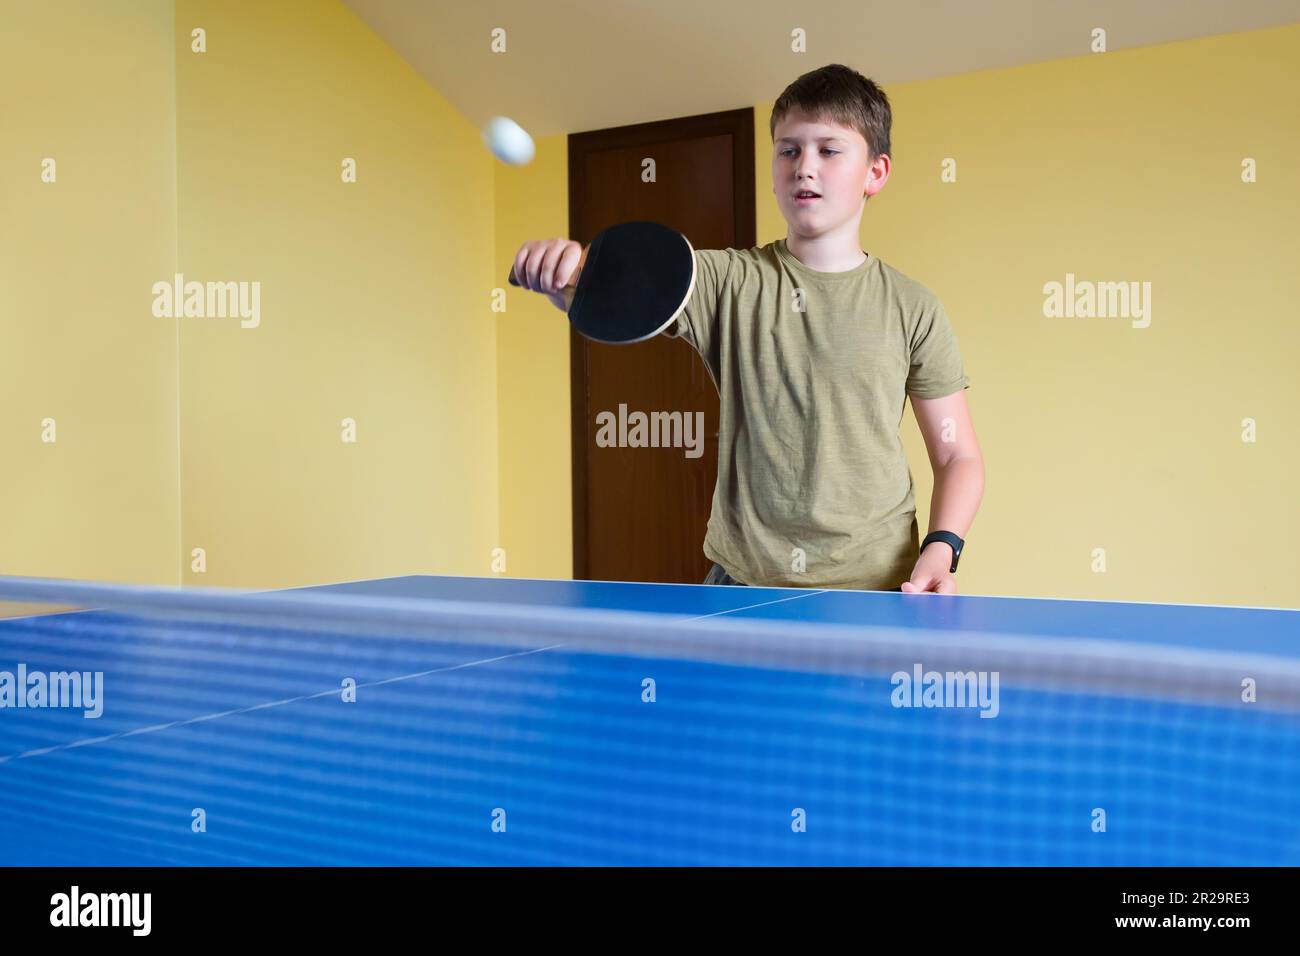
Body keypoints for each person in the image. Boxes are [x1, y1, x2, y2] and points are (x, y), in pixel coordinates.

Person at [511, 64, 984, 594]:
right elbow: (609, 287)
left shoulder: (913, 306)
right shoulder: (725, 280)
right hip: (742, 585)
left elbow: (956, 454)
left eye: (829, 150)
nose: (805, 167)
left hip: (877, 588)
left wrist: (943, 548)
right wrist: (565, 271)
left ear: (875, 172)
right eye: (789, 150)